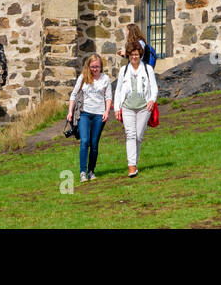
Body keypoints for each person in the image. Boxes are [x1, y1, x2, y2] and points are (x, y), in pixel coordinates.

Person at [113, 43, 157, 179]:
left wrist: (152, 100)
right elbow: (118, 90)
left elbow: (154, 88)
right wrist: (116, 108)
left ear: (140, 55)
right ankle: (131, 167)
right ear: (128, 56)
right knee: (130, 135)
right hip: (127, 107)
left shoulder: (148, 69)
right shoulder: (124, 70)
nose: (134, 57)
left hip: (144, 107)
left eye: (136, 55)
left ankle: (135, 163)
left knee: (138, 136)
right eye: (131, 55)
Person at [67, 54, 112, 183]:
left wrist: (107, 111)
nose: (95, 69)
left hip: (99, 114)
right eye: (92, 67)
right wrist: (70, 111)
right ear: (88, 66)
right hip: (85, 113)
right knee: (85, 141)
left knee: (94, 144)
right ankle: (82, 172)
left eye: (97, 66)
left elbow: (108, 97)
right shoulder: (83, 78)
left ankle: (91, 171)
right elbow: (73, 95)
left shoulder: (105, 79)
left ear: (101, 66)